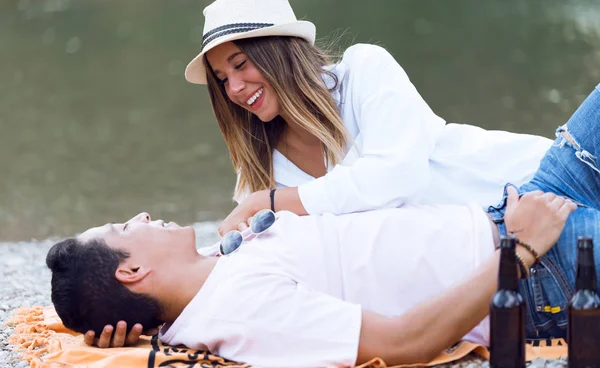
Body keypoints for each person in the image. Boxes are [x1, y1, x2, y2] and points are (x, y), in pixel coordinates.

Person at [48, 82, 600, 366]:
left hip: (520, 205)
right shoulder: (241, 311)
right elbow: (406, 343)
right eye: (124, 227)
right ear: (134, 269)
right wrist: (519, 249)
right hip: (538, 269)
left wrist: (128, 324)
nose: (140, 215)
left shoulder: (218, 269)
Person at [188, 0, 555, 235]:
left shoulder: (364, 70)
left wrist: (272, 202)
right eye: (221, 78)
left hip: (540, 180)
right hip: (501, 248)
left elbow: (396, 177)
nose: (233, 88)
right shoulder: (258, 164)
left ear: (278, 53)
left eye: (241, 64)